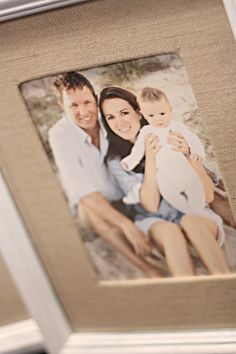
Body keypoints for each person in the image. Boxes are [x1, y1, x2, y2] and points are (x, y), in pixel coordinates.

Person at [99, 86, 230, 275]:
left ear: (138, 112)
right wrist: (150, 158)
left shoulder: (171, 134)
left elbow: (208, 195)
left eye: (124, 112)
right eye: (110, 117)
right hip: (155, 219)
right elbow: (151, 205)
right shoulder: (116, 161)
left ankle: (226, 284)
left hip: (190, 210)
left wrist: (188, 155)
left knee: (191, 222)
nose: (119, 122)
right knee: (170, 232)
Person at [48, 71, 162, 278]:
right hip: (99, 204)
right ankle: (150, 271)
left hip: (129, 192)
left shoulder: (109, 118)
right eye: (73, 105)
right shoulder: (59, 134)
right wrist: (125, 225)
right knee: (87, 207)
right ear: (61, 106)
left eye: (87, 102)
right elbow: (82, 191)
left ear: (95, 99)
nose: (83, 112)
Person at [121, 87, 207, 214]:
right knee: (170, 194)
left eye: (162, 113)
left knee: (196, 190)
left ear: (170, 110)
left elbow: (193, 139)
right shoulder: (146, 131)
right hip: (164, 174)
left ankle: (198, 209)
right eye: (151, 115)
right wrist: (130, 161)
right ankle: (188, 211)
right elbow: (138, 149)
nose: (158, 119)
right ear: (143, 115)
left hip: (184, 169)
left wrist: (197, 152)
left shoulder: (177, 126)